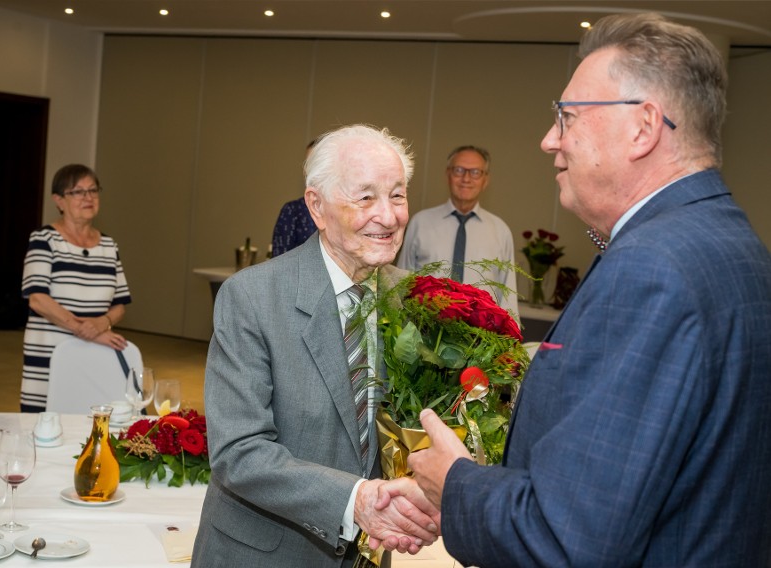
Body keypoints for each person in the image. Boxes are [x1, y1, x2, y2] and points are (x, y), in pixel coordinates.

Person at [401, 12, 771, 567]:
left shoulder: (649, 272)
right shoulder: (734, 245)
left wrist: (456, 484)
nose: (550, 140)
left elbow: (567, 540)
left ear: (644, 128)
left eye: (567, 117)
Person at [191, 125, 441, 567]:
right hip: (266, 554)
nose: (388, 215)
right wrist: (356, 500)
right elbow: (240, 453)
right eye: (365, 197)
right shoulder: (253, 297)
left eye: (398, 195)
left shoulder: (415, 300)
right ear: (317, 207)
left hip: (369, 553)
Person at [20, 164, 131, 412]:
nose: (88, 197)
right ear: (59, 200)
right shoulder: (44, 239)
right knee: (43, 422)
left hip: (94, 352)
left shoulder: (108, 246)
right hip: (49, 351)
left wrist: (102, 323)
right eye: (78, 191)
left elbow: (120, 305)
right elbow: (37, 299)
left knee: (89, 419)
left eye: (93, 190)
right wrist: (84, 329)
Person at [397, 145, 518, 313]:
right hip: (424, 330)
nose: (466, 179)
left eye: (475, 172)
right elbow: (402, 283)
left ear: (486, 180)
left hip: (481, 335)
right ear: (448, 174)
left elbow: (508, 295)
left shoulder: (500, 231)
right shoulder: (420, 223)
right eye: (459, 170)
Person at [270, 139, 319, 257]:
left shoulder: (347, 208)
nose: (307, 170)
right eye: (306, 164)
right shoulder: (292, 210)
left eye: (315, 163)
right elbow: (279, 262)